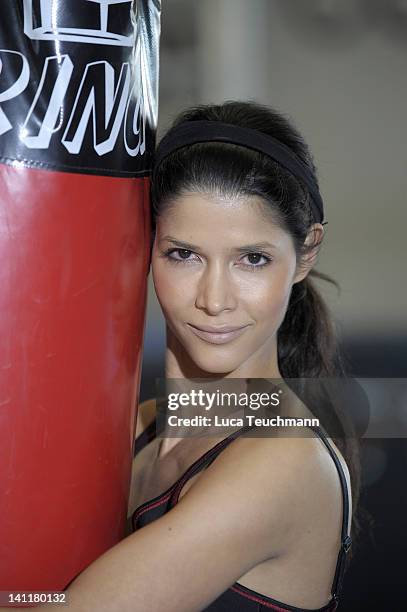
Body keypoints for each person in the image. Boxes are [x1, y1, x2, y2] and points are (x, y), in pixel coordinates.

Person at [13, 101, 360, 611]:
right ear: (144, 247)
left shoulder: (282, 461)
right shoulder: (141, 429)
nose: (214, 299)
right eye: (184, 254)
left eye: (253, 259)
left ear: (306, 253)